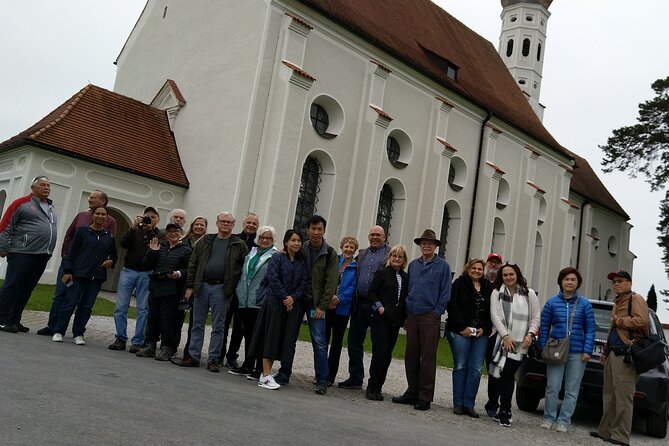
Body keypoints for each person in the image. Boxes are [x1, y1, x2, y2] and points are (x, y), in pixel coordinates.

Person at [37, 190, 117, 336]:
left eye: (93, 197)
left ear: (103, 202)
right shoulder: (81, 216)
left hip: (89, 270)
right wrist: (65, 257)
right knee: (61, 294)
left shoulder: (110, 221)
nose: (90, 199)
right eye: (89, 197)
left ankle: (77, 332)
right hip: (69, 265)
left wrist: (109, 260)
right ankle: (52, 326)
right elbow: (69, 235)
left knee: (80, 301)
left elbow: (110, 244)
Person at [179, 211, 247, 372]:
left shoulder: (239, 244)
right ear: (217, 223)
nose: (225, 224)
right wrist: (190, 286)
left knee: (219, 326)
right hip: (202, 286)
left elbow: (244, 268)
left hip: (222, 289)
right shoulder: (206, 241)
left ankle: (213, 359)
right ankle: (194, 356)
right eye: (223, 221)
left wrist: (233, 287)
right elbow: (193, 263)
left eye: (229, 222)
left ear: (233, 225)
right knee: (197, 323)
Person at [392, 229, 451, 411]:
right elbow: (410, 288)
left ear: (435, 246)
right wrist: (408, 310)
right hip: (413, 314)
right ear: (420, 245)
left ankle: (424, 396)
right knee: (411, 355)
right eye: (424, 243)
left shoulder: (443, 266)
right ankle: (412, 391)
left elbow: (446, 291)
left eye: (430, 243)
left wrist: (437, 311)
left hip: (430, 316)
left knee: (427, 357)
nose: (427, 245)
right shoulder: (414, 265)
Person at [590, 270, 650, 446]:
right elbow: (612, 330)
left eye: (620, 281)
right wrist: (605, 352)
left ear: (629, 283)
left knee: (623, 397)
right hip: (613, 354)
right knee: (609, 395)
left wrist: (620, 321)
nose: (616, 284)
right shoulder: (617, 302)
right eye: (614, 282)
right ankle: (605, 431)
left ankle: (620, 436)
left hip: (627, 355)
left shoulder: (635, 299)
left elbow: (642, 321)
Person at [248, 229, 307, 390]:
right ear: (286, 242)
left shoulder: (301, 262)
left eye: (299, 241)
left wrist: (293, 298)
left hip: (290, 306)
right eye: (293, 240)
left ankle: (266, 374)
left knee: (282, 340)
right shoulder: (277, 257)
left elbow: (303, 283)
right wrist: (285, 297)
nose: (296, 243)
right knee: (270, 338)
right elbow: (273, 279)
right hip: (274, 303)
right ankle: (266, 376)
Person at [539, 267, 595, 433]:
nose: (570, 282)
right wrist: (543, 348)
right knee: (552, 387)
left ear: (578, 283)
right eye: (566, 279)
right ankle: (549, 417)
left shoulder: (585, 304)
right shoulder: (551, 303)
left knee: (572, 390)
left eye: (573, 280)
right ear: (561, 282)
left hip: (577, 353)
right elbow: (544, 327)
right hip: (556, 350)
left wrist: (587, 351)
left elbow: (590, 329)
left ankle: (564, 421)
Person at [51, 206, 117, 345]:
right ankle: (59, 331)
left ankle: (79, 333)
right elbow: (72, 252)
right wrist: (68, 271)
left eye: (103, 214)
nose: (100, 216)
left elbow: (114, 256)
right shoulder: (82, 231)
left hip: (97, 277)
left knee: (86, 307)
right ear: (92, 216)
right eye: (97, 214)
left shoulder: (109, 236)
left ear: (106, 218)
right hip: (78, 275)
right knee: (69, 303)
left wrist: (111, 261)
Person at [0, 175, 58, 333]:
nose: (47, 187)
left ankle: (14, 320)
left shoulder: (51, 207)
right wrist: (2, 247)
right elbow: (6, 225)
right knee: (11, 286)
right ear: (33, 188)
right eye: (42, 185)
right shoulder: (21, 203)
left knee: (26, 289)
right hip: (22, 253)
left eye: (48, 185)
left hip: (41, 255)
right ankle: (2, 319)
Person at [485, 261, 540, 427]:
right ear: (502, 277)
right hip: (499, 340)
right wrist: (505, 336)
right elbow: (494, 315)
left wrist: (530, 335)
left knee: (507, 373)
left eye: (511, 274)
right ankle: (492, 404)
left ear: (517, 275)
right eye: (505, 275)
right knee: (495, 374)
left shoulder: (529, 293)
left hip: (521, 342)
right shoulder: (496, 293)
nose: (508, 277)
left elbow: (536, 317)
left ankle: (505, 410)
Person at [339, 225, 389, 390]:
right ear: (369, 237)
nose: (375, 237)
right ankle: (355, 377)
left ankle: (374, 383)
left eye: (378, 235)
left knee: (378, 346)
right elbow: (343, 261)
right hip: (359, 304)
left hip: (377, 306)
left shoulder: (389, 254)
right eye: (372, 235)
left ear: (384, 237)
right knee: (354, 342)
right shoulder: (362, 254)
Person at [108, 206, 162, 352]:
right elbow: (123, 243)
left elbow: (156, 248)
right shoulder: (135, 231)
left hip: (146, 273)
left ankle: (138, 341)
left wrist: (149, 230)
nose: (149, 219)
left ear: (158, 220)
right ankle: (120, 338)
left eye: (153, 217)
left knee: (143, 309)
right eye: (147, 216)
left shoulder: (159, 234)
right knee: (120, 306)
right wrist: (133, 227)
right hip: (129, 270)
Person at [136, 223, 192, 361]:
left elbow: (189, 270)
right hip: (156, 287)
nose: (173, 234)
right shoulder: (160, 246)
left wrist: (178, 273)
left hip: (172, 290)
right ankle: (150, 345)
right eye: (170, 232)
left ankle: (167, 347)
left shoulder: (186, 250)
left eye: (176, 231)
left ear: (180, 233)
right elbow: (147, 265)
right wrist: (152, 251)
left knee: (168, 319)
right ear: (166, 234)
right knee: (153, 317)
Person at [227, 225, 278, 377]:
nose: (265, 240)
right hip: (245, 299)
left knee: (259, 335)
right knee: (248, 333)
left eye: (268, 238)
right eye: (262, 237)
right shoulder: (252, 253)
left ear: (273, 240)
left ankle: (259, 368)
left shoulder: (275, 255)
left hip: (260, 300)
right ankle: (248, 364)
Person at [445, 258, 493, 418]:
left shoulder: (488, 288)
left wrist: (484, 329)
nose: (477, 271)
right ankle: (458, 403)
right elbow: (452, 305)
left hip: (480, 334)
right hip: (460, 331)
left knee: (476, 368)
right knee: (460, 365)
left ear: (483, 271)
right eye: (474, 268)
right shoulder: (459, 284)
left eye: (480, 269)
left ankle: (469, 404)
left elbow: (492, 312)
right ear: (468, 269)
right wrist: (462, 327)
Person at [298, 215, 339, 395]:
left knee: (320, 342)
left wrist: (322, 307)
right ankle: (284, 372)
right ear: (307, 230)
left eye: (319, 229)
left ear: (324, 230)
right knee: (289, 337)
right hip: (299, 300)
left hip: (317, 304)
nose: (316, 232)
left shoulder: (330, 253)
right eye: (313, 228)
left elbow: (331, 283)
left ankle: (322, 379)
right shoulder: (301, 248)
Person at [366, 244, 408, 401]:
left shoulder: (405, 277)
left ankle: (379, 387)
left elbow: (404, 299)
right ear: (390, 258)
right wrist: (379, 307)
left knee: (388, 355)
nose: (396, 259)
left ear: (404, 260)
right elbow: (371, 292)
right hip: (380, 319)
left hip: (395, 321)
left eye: (400, 256)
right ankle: (372, 387)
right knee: (379, 353)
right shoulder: (383, 273)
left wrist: (405, 317)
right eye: (394, 256)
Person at [220, 212, 260, 368]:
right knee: (223, 323)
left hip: (246, 292)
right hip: (230, 287)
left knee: (240, 327)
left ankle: (232, 356)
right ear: (243, 224)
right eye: (248, 222)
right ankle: (219, 354)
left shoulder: (259, 244)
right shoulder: (234, 239)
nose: (251, 225)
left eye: (254, 224)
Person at [325, 236, 358, 386]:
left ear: (355, 250)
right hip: (328, 306)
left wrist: (339, 298)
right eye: (346, 247)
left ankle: (330, 376)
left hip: (342, 309)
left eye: (351, 247)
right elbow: (327, 278)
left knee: (336, 343)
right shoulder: (334, 261)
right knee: (323, 340)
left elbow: (353, 287)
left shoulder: (356, 267)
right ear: (342, 247)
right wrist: (330, 296)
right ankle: (321, 373)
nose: (348, 250)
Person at [175, 215, 208, 360]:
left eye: (202, 225)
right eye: (196, 224)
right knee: (176, 318)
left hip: (198, 285)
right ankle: (171, 346)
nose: (199, 227)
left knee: (195, 321)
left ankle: (190, 351)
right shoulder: (183, 241)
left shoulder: (208, 243)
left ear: (206, 228)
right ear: (192, 226)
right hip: (181, 283)